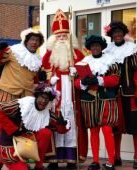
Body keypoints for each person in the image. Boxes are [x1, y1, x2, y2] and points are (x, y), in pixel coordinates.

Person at [0, 28, 44, 170]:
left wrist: (42, 81)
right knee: (4, 126)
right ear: (26, 40)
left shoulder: (38, 60)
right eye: (32, 39)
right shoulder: (13, 51)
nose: (34, 42)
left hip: (26, 98)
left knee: (23, 128)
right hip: (8, 93)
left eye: (37, 40)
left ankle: (16, 157)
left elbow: (34, 78)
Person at [41, 9, 88, 170]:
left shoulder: (78, 55)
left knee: (71, 125)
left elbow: (85, 78)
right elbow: (41, 77)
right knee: (56, 124)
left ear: (69, 37)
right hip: (56, 96)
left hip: (72, 96)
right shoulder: (48, 55)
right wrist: (50, 79)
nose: (62, 39)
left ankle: (71, 159)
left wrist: (77, 76)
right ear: (54, 38)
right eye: (59, 36)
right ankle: (54, 159)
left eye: (64, 36)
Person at [0, 82, 70, 170]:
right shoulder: (23, 104)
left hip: (26, 143)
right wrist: (13, 129)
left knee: (46, 133)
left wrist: (63, 124)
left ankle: (38, 166)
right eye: (42, 97)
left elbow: (60, 129)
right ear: (37, 96)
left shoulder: (46, 114)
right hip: (9, 140)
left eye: (47, 99)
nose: (44, 101)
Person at [104, 21, 137, 169]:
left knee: (136, 127)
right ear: (111, 35)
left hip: (131, 94)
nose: (117, 35)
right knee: (116, 126)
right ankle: (117, 156)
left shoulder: (132, 49)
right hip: (114, 95)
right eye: (114, 33)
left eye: (119, 32)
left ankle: (136, 157)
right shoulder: (107, 51)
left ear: (123, 33)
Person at [74, 35, 120, 170]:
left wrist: (100, 80)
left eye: (97, 46)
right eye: (92, 46)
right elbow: (76, 82)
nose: (95, 48)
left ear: (101, 47)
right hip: (89, 100)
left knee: (107, 129)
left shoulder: (111, 61)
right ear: (89, 48)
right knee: (93, 130)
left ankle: (111, 161)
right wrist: (82, 82)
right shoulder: (84, 62)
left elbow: (116, 79)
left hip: (106, 98)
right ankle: (95, 161)